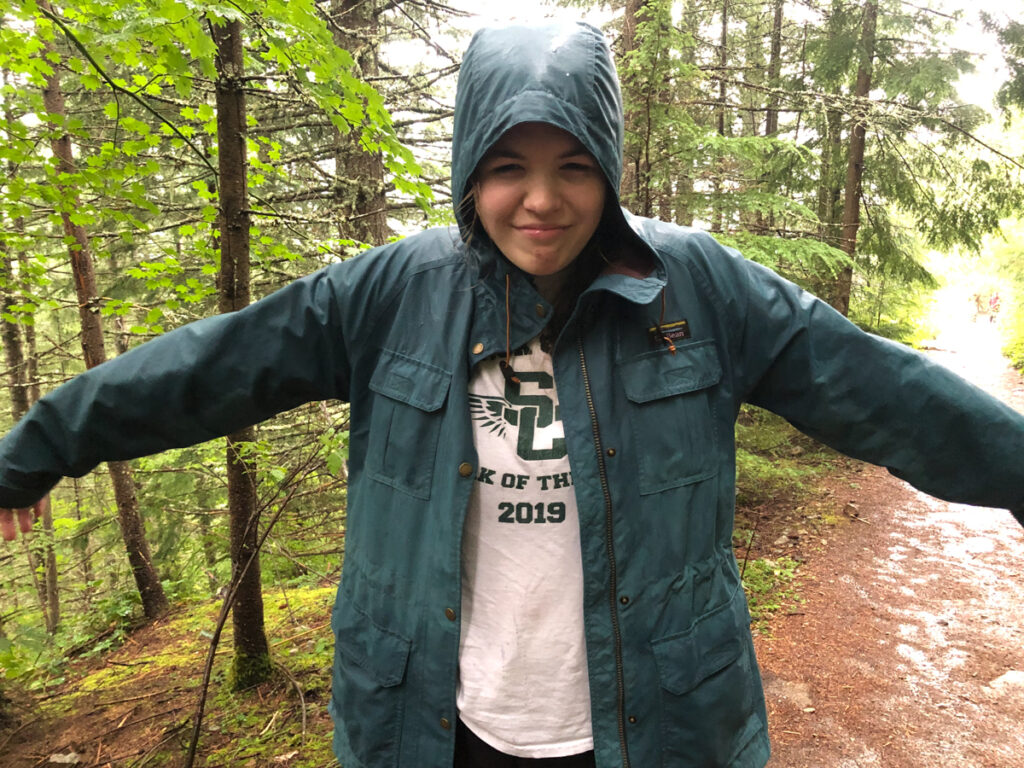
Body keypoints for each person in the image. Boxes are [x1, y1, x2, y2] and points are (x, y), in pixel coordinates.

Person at [1, 21, 1023, 768]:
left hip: (656, 723)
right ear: (467, 173)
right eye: (508, 166)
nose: (542, 199)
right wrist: (35, 449)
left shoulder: (698, 286)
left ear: (610, 171)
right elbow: (208, 368)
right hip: (436, 724)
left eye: (574, 165)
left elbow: (880, 388)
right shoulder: (391, 294)